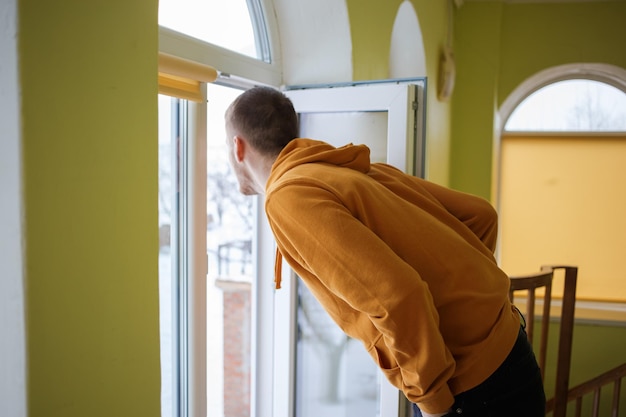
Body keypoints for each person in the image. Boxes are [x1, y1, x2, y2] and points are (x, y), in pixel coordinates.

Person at [224, 86, 546, 417]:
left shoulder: (288, 197)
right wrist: (473, 310)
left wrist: (434, 403)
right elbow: (480, 215)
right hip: (511, 347)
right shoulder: (347, 168)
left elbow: (397, 296)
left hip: (477, 387)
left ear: (238, 146)